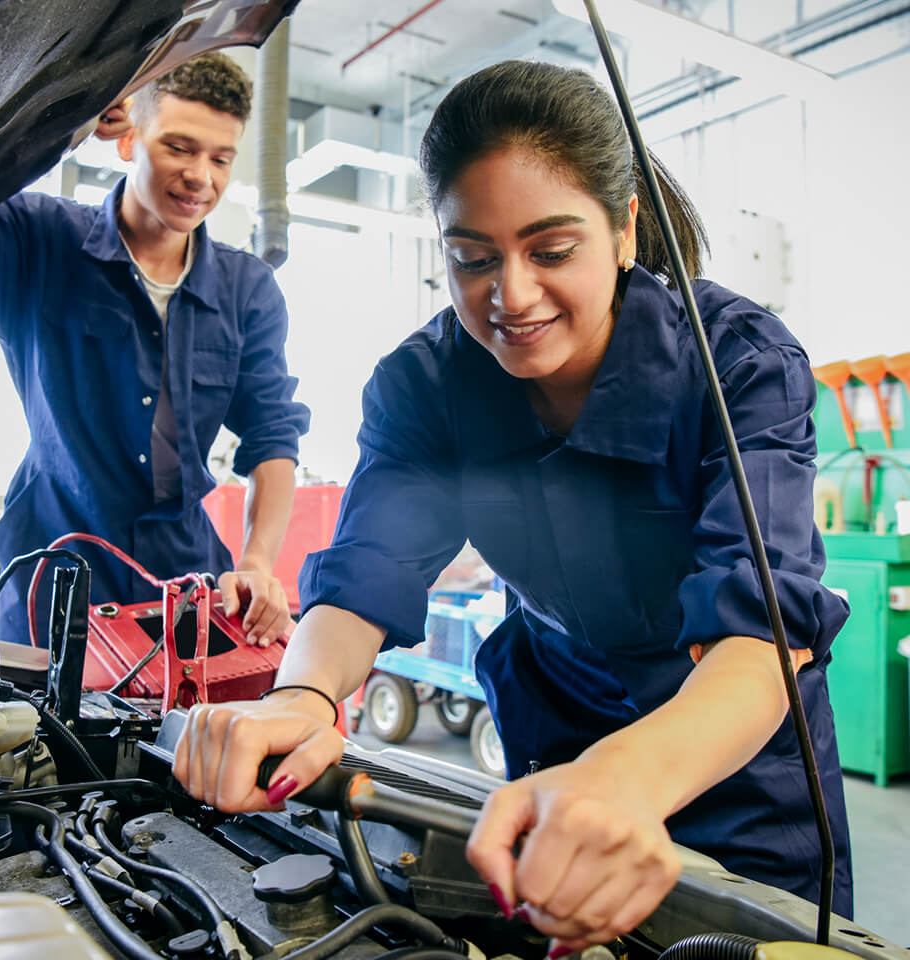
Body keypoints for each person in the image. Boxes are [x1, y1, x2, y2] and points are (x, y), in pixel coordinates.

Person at [171, 60, 852, 948]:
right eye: (472, 258)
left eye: (552, 250)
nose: (512, 296)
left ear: (624, 227)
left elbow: (761, 632)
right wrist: (299, 696)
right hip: (557, 742)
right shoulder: (426, 384)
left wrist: (627, 779)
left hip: (739, 770)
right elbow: (366, 573)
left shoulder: (740, 365)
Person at [0, 52, 310, 647]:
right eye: (179, 147)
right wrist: (58, 128)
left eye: (221, 158)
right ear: (126, 140)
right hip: (53, 586)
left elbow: (272, 436)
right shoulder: (39, 244)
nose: (203, 177)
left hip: (183, 589)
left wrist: (256, 562)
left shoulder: (248, 292)